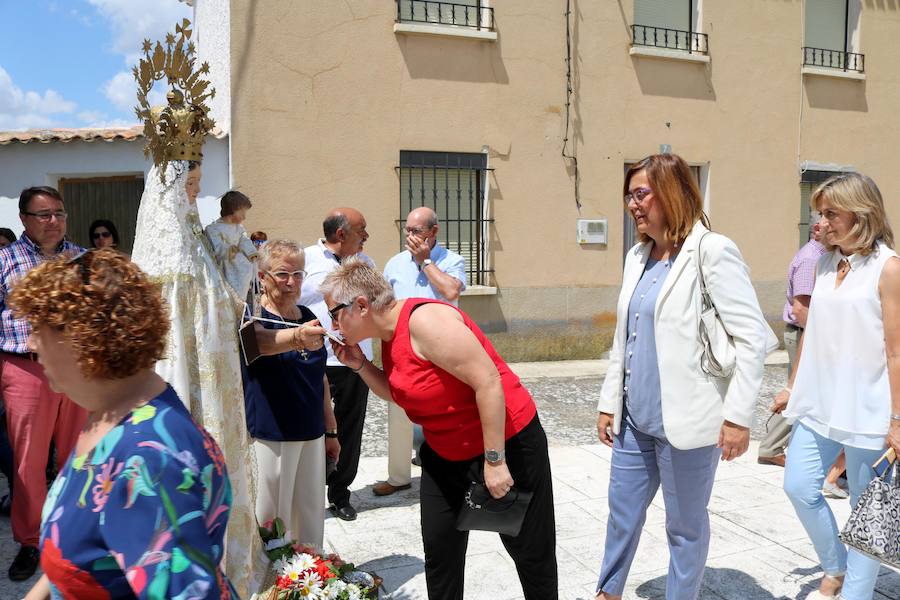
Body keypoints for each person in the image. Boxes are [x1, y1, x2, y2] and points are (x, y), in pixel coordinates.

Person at [319, 258, 557, 599]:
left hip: (507, 443)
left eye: (334, 312)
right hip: (446, 453)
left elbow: (488, 382)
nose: (333, 323)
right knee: (440, 551)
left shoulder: (426, 322)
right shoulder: (389, 333)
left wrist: (494, 461)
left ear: (360, 306)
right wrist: (360, 365)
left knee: (530, 552)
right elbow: (399, 391)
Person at [595, 154, 771, 600]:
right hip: (635, 421)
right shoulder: (638, 256)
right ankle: (608, 592)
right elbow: (625, 336)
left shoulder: (711, 250)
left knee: (685, 526)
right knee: (621, 514)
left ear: (671, 194)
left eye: (641, 194)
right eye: (629, 195)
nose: (632, 204)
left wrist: (737, 418)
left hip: (689, 424)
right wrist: (608, 399)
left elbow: (752, 339)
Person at [11, 249, 236, 599]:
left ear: (80, 335)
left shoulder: (146, 461)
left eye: (38, 329)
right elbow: (83, 551)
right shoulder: (110, 415)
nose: (30, 343)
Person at [131, 161, 262, 596]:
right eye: (188, 186)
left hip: (214, 380)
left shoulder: (199, 243)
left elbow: (225, 296)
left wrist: (244, 260)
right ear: (165, 191)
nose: (194, 195)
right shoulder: (160, 264)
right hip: (180, 377)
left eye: (197, 186)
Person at [778, 172, 900, 600]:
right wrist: (793, 386)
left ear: (861, 214)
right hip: (819, 402)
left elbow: (896, 350)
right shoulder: (828, 263)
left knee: (865, 511)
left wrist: (897, 419)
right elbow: (813, 330)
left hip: (868, 405)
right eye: (820, 214)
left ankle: (855, 594)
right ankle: (836, 566)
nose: (822, 223)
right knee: (798, 485)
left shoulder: (888, 269)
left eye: (831, 213)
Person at [0, 186, 87, 581]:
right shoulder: (4, 259)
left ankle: (72, 535)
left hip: (76, 370)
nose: (53, 221)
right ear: (24, 219)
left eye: (59, 213)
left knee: (78, 455)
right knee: (28, 463)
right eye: (43, 215)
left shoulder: (83, 259)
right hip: (26, 368)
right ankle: (31, 540)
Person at [242, 239, 339, 547]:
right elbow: (259, 343)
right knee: (273, 521)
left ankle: (314, 578)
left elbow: (319, 377)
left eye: (298, 274)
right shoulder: (252, 316)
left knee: (310, 518)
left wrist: (331, 430)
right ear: (262, 276)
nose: (291, 282)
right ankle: (275, 586)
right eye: (282, 274)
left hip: (311, 433)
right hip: (273, 436)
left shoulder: (308, 313)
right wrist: (297, 337)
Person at [376, 206, 467, 496]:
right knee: (399, 410)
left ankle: (443, 469)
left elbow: (451, 292)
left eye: (416, 231)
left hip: (442, 347)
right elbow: (383, 302)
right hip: (401, 346)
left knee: (443, 410)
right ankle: (398, 476)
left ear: (434, 232)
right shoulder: (394, 263)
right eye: (408, 229)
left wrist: (425, 261)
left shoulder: (452, 260)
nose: (410, 235)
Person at [300, 208, 373, 522]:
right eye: (362, 230)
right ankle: (308, 493)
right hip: (316, 357)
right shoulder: (304, 262)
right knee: (314, 428)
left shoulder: (366, 263)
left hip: (355, 359)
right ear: (341, 234)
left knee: (350, 428)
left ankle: (340, 493)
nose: (366, 237)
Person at [758, 215, 828, 467]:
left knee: (804, 391)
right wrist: (819, 337)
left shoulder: (818, 255)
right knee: (798, 391)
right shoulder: (812, 258)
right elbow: (802, 308)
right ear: (817, 228)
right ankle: (771, 446)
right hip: (802, 332)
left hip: (803, 332)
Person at [205, 190, 259, 300]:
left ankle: (241, 299)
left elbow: (244, 241)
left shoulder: (239, 228)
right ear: (233, 211)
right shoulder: (214, 229)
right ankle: (232, 300)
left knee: (247, 268)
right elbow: (216, 246)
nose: (244, 217)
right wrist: (228, 250)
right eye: (242, 213)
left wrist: (251, 252)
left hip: (238, 261)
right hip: (224, 263)